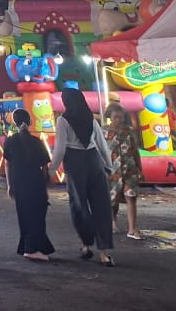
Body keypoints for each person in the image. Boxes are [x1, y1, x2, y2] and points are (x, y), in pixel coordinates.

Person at [49, 87, 115, 266]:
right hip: (94, 161)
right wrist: (109, 167)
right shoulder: (91, 119)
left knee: (79, 205)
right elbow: (102, 145)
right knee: (101, 205)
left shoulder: (63, 120)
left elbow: (60, 149)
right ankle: (104, 253)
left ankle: (86, 245)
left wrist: (50, 171)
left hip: (75, 162)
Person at [2, 108, 55, 261]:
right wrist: (46, 182)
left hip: (18, 180)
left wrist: (9, 185)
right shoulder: (36, 142)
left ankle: (29, 246)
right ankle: (32, 248)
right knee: (37, 215)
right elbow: (45, 165)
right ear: (30, 122)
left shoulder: (10, 141)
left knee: (24, 214)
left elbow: (7, 164)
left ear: (15, 123)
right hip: (34, 180)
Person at [104, 103, 143, 240]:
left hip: (129, 170)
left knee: (131, 196)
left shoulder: (129, 131)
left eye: (121, 117)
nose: (119, 120)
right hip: (112, 172)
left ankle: (132, 229)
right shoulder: (104, 132)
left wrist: (140, 169)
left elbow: (135, 151)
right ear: (110, 117)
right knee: (113, 200)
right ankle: (112, 221)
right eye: (116, 117)